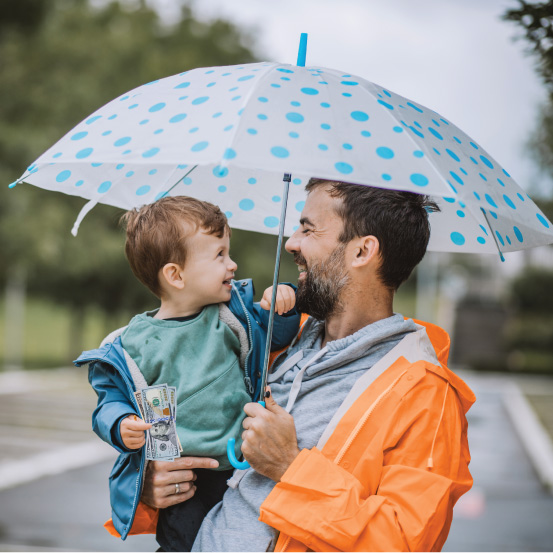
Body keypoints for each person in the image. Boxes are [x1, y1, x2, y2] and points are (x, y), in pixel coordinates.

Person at [135, 179, 477, 552]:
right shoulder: (270, 338)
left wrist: (290, 467)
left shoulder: (427, 395)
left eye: (308, 229)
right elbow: (169, 398)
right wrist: (149, 481)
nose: (291, 243)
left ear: (363, 251)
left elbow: (402, 541)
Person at [74, 196, 300, 552]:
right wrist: (120, 423)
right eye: (220, 255)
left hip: (242, 466)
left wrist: (280, 310)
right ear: (175, 275)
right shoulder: (134, 344)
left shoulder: (232, 315)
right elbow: (109, 398)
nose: (233, 264)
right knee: (183, 544)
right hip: (184, 477)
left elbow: (276, 338)